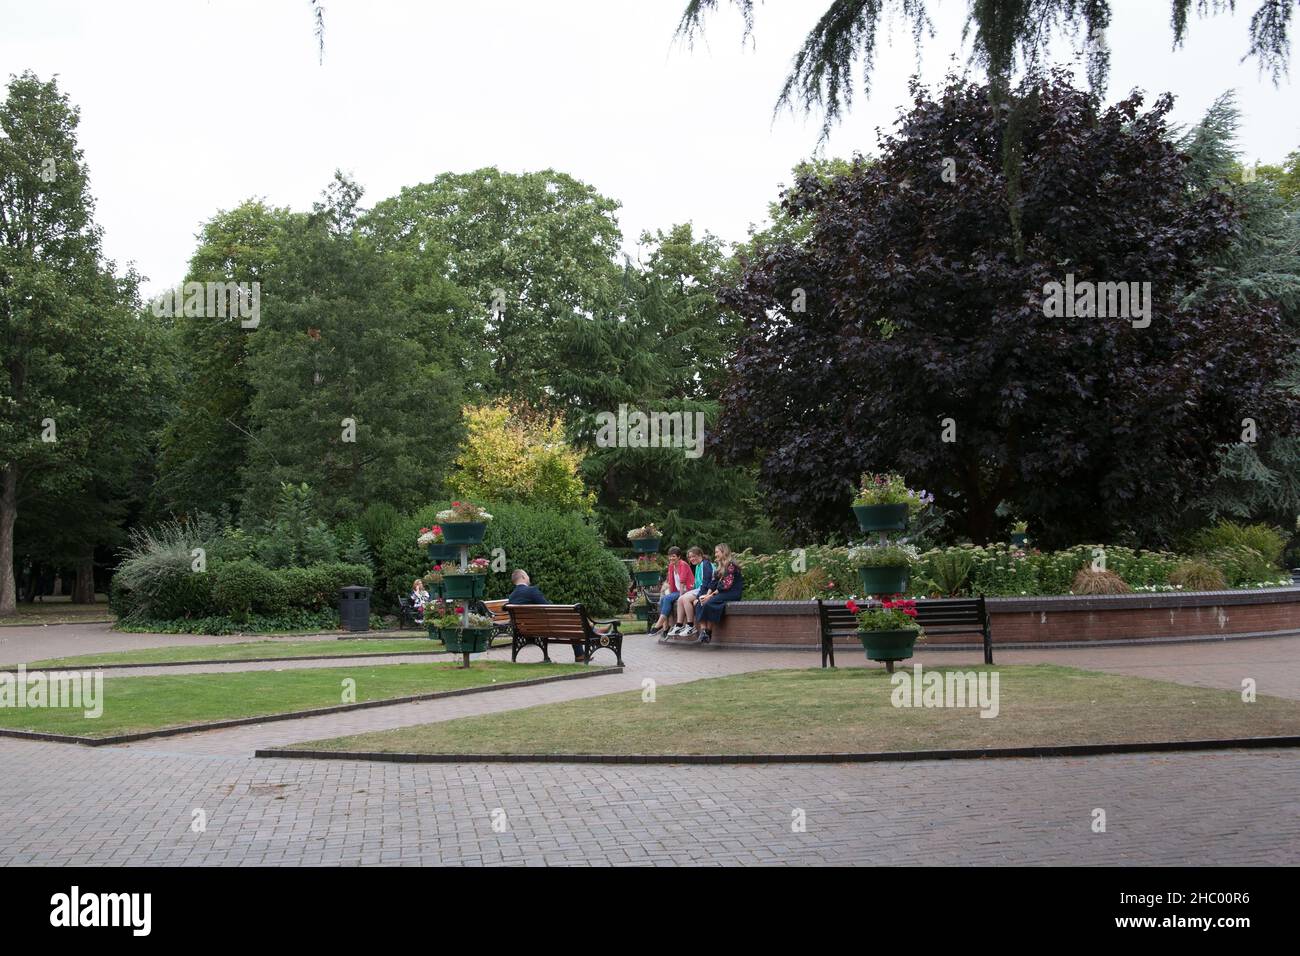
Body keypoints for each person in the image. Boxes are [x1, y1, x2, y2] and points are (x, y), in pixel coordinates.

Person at [694, 543, 743, 644]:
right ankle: (703, 632)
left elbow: (726, 585)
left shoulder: (731, 565)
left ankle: (709, 631)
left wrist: (710, 597)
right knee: (700, 601)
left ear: (723, 552)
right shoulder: (720, 566)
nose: (715, 554)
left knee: (709, 603)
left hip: (731, 592)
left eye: (717, 552)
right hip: (721, 592)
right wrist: (707, 595)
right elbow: (713, 583)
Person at [669, 546, 713, 639]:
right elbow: (698, 583)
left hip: (706, 590)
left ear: (700, 555)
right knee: (681, 598)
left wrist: (699, 596)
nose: (691, 559)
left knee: (685, 598)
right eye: (690, 557)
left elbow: (707, 582)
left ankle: (690, 626)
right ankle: (679, 625)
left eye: (694, 556)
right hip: (700, 589)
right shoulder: (698, 565)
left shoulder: (705, 564)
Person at [650, 547, 694, 637]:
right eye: (670, 556)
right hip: (676, 591)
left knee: (666, 598)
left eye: (673, 556)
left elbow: (682, 582)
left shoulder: (683, 564)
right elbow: (670, 581)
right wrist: (669, 592)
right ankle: (665, 627)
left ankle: (659, 625)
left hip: (687, 590)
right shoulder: (671, 566)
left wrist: (681, 597)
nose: (671, 558)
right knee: (663, 599)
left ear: (679, 557)